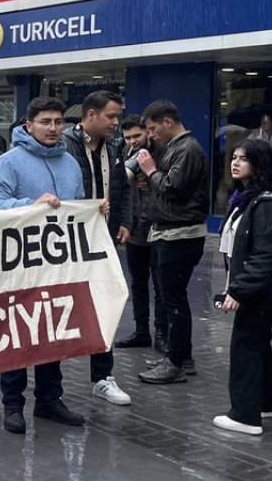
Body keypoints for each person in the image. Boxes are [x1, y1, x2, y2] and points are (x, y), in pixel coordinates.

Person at [0, 96, 105, 433]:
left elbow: (76, 207)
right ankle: (13, 404)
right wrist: (30, 204)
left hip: (58, 266)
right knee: (18, 334)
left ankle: (50, 400)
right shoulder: (9, 162)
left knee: (54, 332)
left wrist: (93, 212)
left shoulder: (70, 163)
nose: (53, 128)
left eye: (58, 121)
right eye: (46, 122)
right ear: (28, 125)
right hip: (19, 266)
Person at [214, 139, 272, 435]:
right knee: (257, 340)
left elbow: (266, 254)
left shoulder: (267, 204)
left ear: (259, 164)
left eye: (243, 159)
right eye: (234, 157)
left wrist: (240, 290)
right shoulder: (248, 198)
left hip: (268, 287)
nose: (235, 163)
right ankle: (271, 403)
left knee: (245, 343)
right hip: (264, 285)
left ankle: (245, 416)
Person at [61, 91, 132, 406]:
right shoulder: (65, 144)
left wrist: (125, 220)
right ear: (90, 115)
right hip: (69, 241)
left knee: (107, 304)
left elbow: (123, 187)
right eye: (111, 116)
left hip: (104, 239)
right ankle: (51, 384)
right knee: (61, 306)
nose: (116, 124)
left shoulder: (116, 145)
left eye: (117, 117)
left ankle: (103, 377)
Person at [136, 100, 209, 384]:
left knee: (174, 299)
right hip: (168, 232)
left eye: (153, 129)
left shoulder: (187, 149)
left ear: (168, 122)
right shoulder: (176, 148)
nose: (151, 135)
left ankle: (176, 361)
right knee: (170, 298)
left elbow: (174, 188)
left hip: (179, 235)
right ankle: (181, 356)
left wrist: (151, 171)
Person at [116, 115, 165, 351]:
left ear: (147, 132)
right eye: (128, 138)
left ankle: (161, 333)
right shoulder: (123, 154)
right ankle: (142, 331)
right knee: (138, 283)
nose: (133, 141)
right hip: (135, 231)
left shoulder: (162, 153)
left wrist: (151, 178)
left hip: (157, 229)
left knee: (160, 284)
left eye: (137, 136)